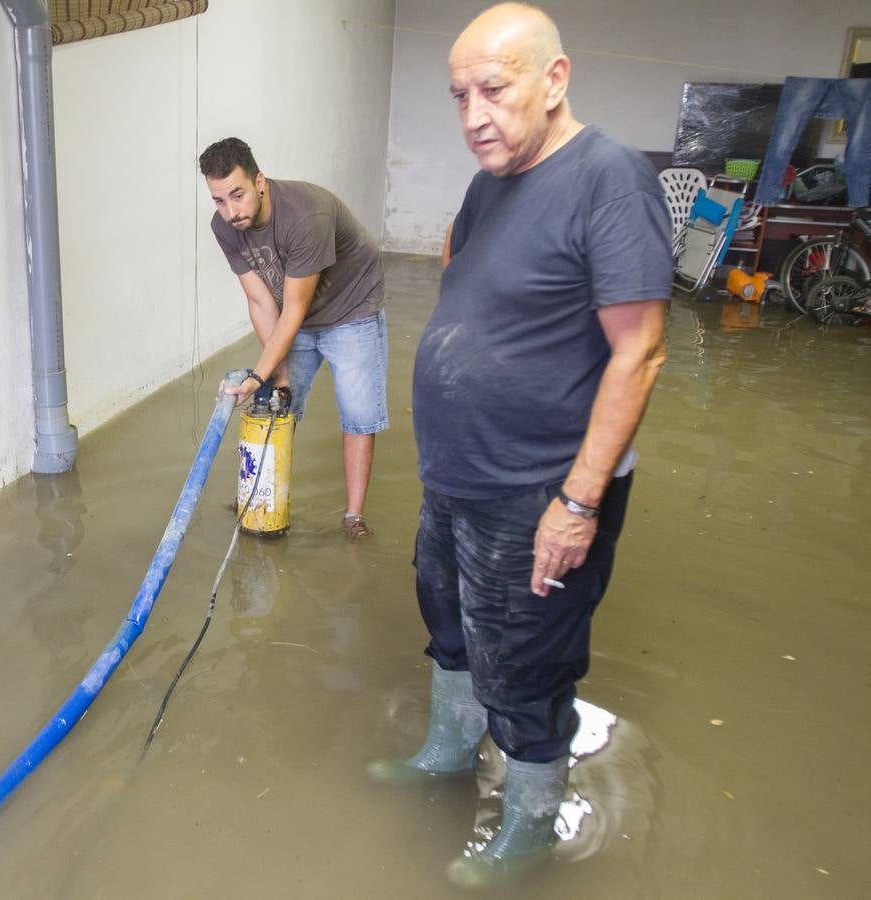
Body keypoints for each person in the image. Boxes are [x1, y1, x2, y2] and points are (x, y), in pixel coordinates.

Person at [367, 3, 672, 888]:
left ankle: (530, 829)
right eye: (460, 96)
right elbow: (469, 287)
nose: (473, 116)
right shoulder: (489, 185)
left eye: (493, 91)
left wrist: (576, 504)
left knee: (526, 662)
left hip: (540, 488)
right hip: (459, 476)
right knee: (453, 626)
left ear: (554, 78)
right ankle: (447, 754)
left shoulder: (608, 178)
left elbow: (639, 353)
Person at [200, 138, 388, 538]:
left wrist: (257, 376)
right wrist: (278, 376)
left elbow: (294, 310)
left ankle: (353, 516)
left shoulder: (305, 215)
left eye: (237, 195)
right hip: (294, 311)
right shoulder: (225, 227)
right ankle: (261, 494)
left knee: (357, 410)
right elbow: (260, 301)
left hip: (351, 307)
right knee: (277, 404)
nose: (231, 212)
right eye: (219, 200)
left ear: (260, 182)